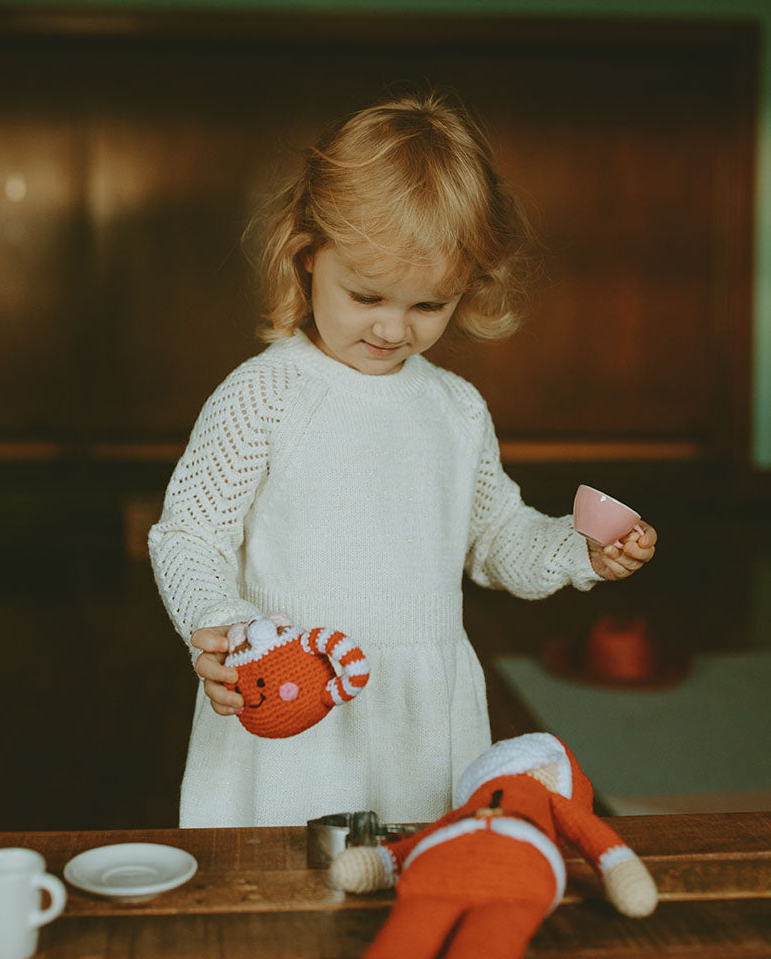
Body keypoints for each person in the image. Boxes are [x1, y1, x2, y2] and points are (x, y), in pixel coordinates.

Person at [148, 91, 657, 828]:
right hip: (293, 700)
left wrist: (579, 548)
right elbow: (189, 534)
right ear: (308, 253)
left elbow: (499, 540)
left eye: (429, 306)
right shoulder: (264, 394)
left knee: (412, 875)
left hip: (421, 718)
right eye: (367, 294)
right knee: (280, 885)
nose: (393, 327)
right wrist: (227, 629)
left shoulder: (455, 410)